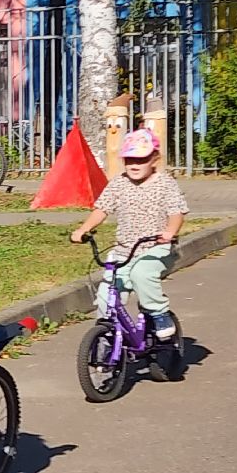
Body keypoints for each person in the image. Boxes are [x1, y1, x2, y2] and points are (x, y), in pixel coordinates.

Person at [71, 129, 187, 339]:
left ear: (154, 159)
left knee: (141, 274)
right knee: (107, 294)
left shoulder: (165, 183)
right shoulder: (119, 183)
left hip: (156, 248)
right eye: (129, 160)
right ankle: (106, 336)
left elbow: (176, 213)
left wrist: (170, 232)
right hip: (124, 250)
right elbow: (102, 209)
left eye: (141, 160)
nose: (134, 165)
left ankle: (159, 314)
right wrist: (83, 229)